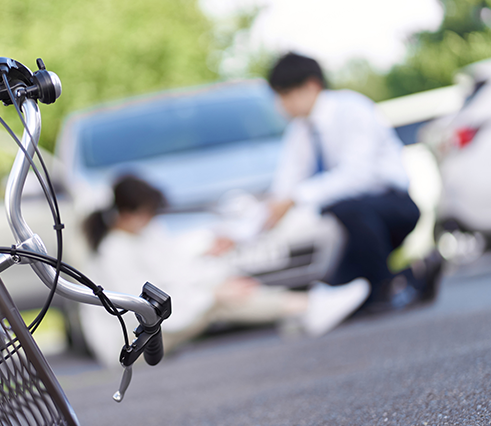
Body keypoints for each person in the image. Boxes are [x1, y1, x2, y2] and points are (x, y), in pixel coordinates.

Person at [79, 175, 370, 368]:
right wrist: (212, 292)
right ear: (128, 214)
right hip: (128, 345)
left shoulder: (136, 235)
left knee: (223, 287)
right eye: (147, 213)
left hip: (149, 330)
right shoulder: (114, 251)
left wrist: (210, 265)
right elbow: (144, 308)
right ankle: (307, 307)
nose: (152, 219)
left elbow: (173, 271)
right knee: (219, 300)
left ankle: (302, 309)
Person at [264, 52, 443, 312]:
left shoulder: (352, 109)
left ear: (312, 86)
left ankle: (389, 287)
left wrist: (296, 197)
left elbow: (358, 178)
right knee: (343, 291)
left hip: (392, 207)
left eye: (285, 95)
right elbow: (284, 185)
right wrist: (249, 226)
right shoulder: (300, 132)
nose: (282, 106)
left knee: (342, 207)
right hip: (352, 225)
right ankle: (413, 276)